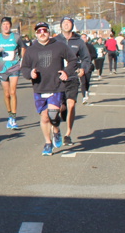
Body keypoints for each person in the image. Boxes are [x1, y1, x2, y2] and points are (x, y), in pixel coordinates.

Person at [20, 22, 76, 156]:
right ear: (36, 34)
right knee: (45, 117)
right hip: (39, 87)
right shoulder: (31, 50)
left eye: (44, 30)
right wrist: (30, 74)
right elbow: (24, 67)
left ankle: (55, 130)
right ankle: (48, 142)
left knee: (53, 114)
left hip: (56, 85)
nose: (42, 33)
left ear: (49, 32)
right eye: (39, 31)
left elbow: (73, 60)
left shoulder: (59, 46)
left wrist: (66, 72)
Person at [57, 16, 92, 147]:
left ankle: (67, 134)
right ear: (61, 25)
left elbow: (86, 58)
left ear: (72, 25)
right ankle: (58, 127)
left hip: (72, 77)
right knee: (60, 107)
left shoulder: (79, 41)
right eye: (64, 23)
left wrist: (83, 68)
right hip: (58, 78)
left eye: (69, 23)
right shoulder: (55, 40)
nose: (66, 25)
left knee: (71, 105)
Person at [0, 16, 23, 130]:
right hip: (2, 68)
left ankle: (13, 118)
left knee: (13, 92)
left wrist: (22, 59)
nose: (6, 26)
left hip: (14, 67)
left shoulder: (16, 37)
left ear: (10, 26)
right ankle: (9, 115)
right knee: (7, 94)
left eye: (7, 24)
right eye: (4, 24)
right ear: (1, 26)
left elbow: (23, 48)